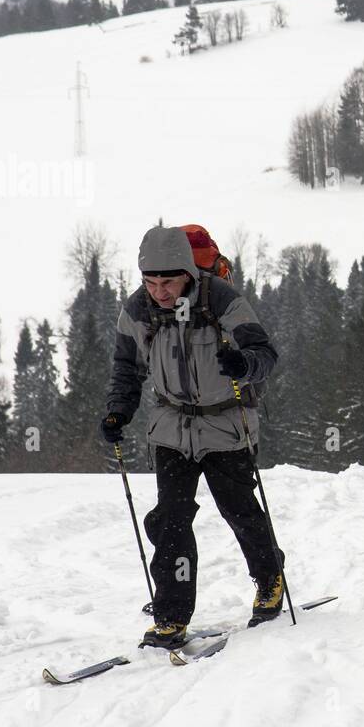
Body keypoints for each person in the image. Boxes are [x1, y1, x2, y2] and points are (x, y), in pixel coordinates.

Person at [100, 225, 283, 648]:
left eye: (167, 282)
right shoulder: (138, 310)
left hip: (226, 426)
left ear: (187, 272)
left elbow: (265, 355)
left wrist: (244, 364)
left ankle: (270, 578)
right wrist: (117, 411)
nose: (159, 292)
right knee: (172, 522)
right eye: (150, 282)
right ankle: (170, 615)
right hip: (170, 428)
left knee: (240, 512)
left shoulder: (221, 299)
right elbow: (127, 368)